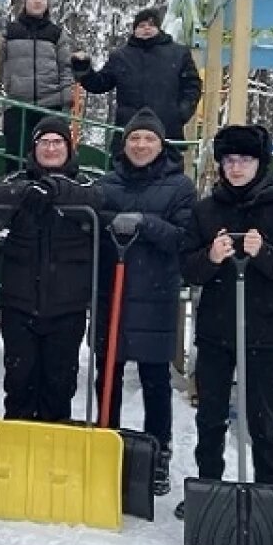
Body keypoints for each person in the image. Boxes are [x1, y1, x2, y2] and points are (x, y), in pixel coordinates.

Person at [175, 124, 273, 519]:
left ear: (261, 162)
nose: (236, 168)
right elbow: (187, 267)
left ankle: (269, 493)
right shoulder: (206, 210)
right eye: (229, 160)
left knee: (262, 417)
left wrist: (265, 253)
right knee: (211, 414)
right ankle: (209, 487)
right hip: (217, 330)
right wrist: (211, 257)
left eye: (245, 160)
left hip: (264, 331)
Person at [94, 107, 196, 497]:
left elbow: (183, 238)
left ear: (160, 144)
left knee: (156, 380)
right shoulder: (107, 183)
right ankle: (107, 442)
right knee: (108, 376)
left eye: (148, 138)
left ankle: (157, 453)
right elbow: (94, 220)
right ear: (125, 144)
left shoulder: (180, 187)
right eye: (134, 138)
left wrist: (144, 223)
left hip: (154, 295)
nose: (140, 144)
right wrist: (111, 220)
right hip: (111, 294)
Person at [0, 116, 103, 422]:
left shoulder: (84, 182)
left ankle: (54, 452)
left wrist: (54, 189)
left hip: (67, 307)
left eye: (57, 142)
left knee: (58, 386)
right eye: (44, 142)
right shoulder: (17, 180)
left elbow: (98, 198)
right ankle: (16, 449)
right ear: (34, 148)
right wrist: (29, 192)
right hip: (20, 305)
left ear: (68, 147)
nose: (51, 149)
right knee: (20, 383)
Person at [71, 7, 202, 154]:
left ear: (159, 28)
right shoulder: (121, 57)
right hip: (128, 131)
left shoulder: (179, 54)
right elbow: (100, 83)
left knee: (167, 175)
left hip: (167, 131)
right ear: (134, 30)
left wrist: (181, 113)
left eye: (151, 25)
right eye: (141, 25)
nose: (146, 28)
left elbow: (192, 85)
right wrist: (83, 68)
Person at [0, 0, 75, 171]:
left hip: (50, 104)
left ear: (48, 4)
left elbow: (66, 68)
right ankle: (15, 192)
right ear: (25, 2)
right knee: (16, 156)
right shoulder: (11, 31)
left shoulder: (56, 34)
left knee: (50, 156)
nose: (38, 1)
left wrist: (66, 102)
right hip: (18, 103)